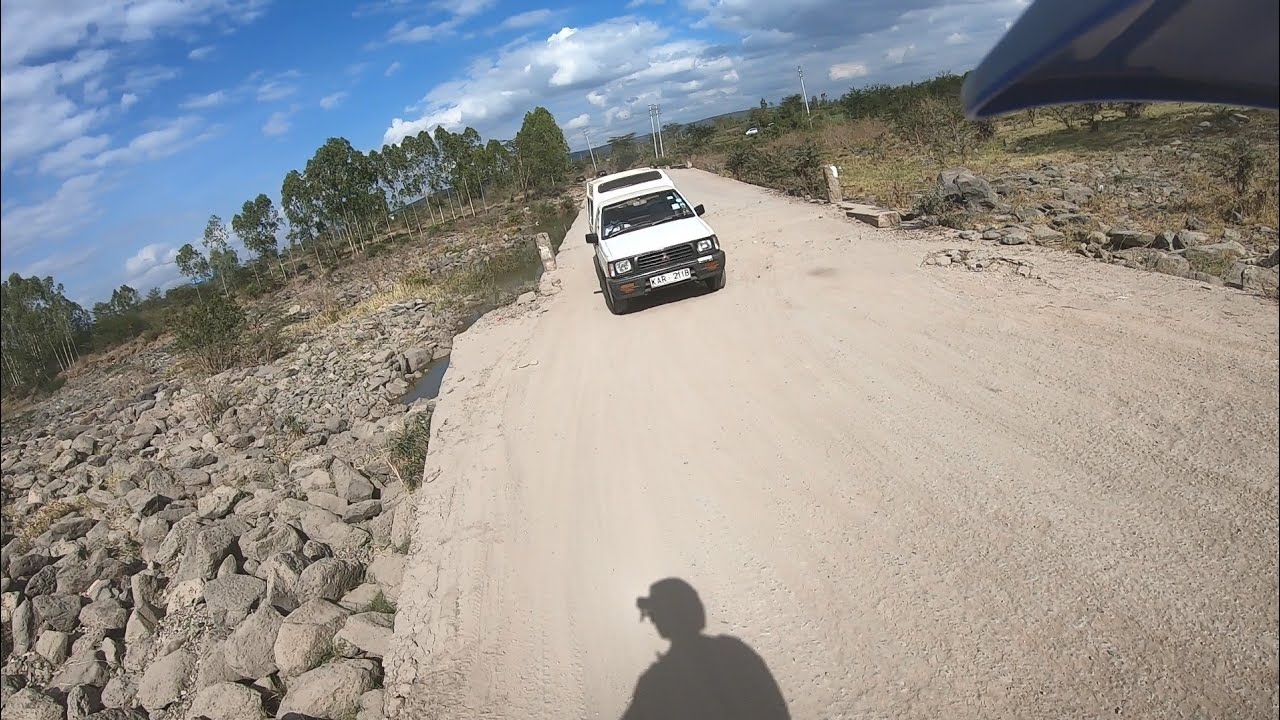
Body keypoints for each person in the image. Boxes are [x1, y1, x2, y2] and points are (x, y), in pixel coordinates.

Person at [621, 578, 790, 720]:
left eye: (656, 611)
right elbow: (775, 708)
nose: (652, 619)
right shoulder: (733, 652)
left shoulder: (656, 681)